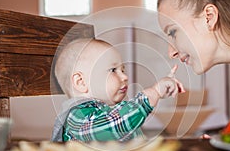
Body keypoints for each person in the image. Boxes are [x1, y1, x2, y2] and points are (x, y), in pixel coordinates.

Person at [51, 38, 185, 142]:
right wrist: (153, 93)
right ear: (81, 82)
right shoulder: (77, 115)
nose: (125, 76)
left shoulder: (114, 110)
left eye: (123, 70)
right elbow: (111, 126)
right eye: (113, 70)